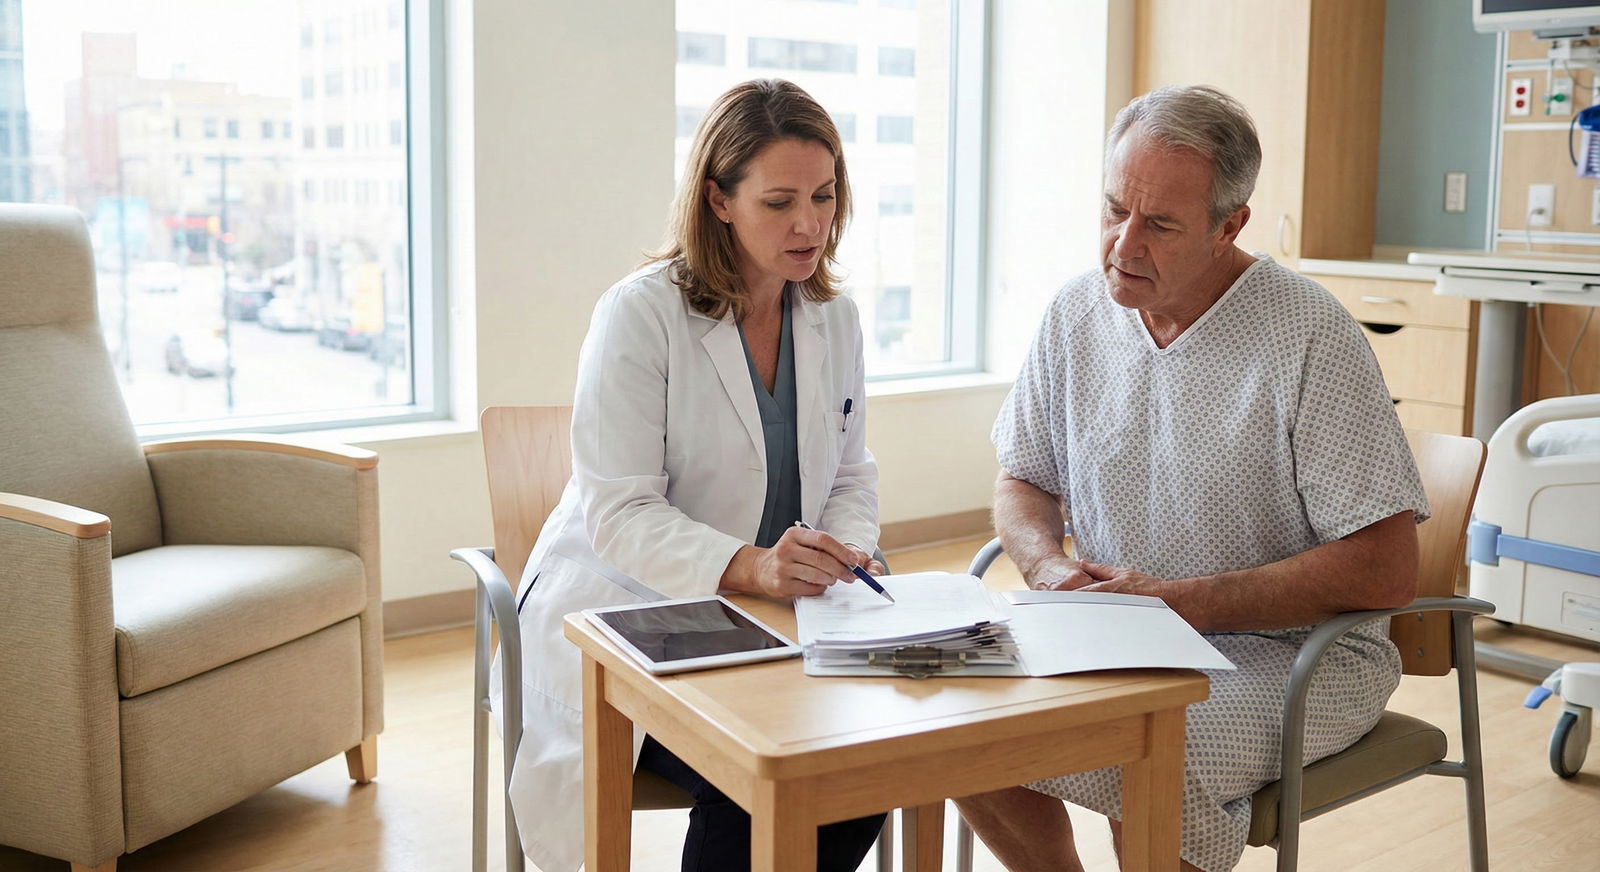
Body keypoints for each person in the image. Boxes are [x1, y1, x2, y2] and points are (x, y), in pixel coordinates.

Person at [954, 85, 1431, 872]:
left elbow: (1385, 569)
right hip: (1112, 634)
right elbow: (1024, 478)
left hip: (1295, 653)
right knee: (958, 719)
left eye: (1160, 224)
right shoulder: (1076, 312)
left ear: (1229, 226)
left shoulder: (1309, 334)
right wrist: (1045, 566)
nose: (1124, 245)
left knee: (1149, 751)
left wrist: (1187, 603)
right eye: (1115, 210)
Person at [498, 79, 886, 872]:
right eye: (779, 202)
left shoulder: (834, 317)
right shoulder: (640, 314)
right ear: (718, 199)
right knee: (761, 775)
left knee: (859, 769)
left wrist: (842, 552)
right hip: (638, 612)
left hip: (779, 619)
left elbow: (851, 473)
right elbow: (620, 512)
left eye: (823, 195)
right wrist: (754, 567)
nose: (810, 223)